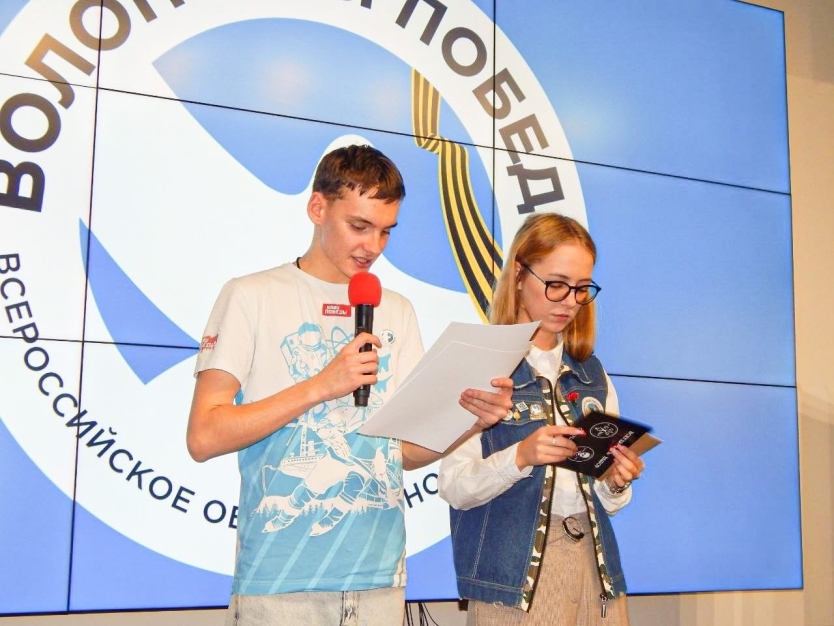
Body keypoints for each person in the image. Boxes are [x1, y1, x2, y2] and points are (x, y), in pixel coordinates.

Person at [186, 144, 513, 626]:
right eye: (359, 226)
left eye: (385, 231)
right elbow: (204, 435)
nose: (373, 246)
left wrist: (470, 420)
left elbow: (403, 453)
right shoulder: (251, 296)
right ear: (318, 207)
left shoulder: (395, 309)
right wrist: (321, 386)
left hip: (380, 580)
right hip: (281, 585)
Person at [438, 212, 645, 626]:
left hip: (596, 567)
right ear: (519, 274)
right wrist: (520, 457)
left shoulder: (592, 373)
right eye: (556, 284)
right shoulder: (478, 363)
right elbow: (454, 486)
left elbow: (608, 503)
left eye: (581, 288)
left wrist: (617, 480)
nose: (569, 301)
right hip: (513, 579)